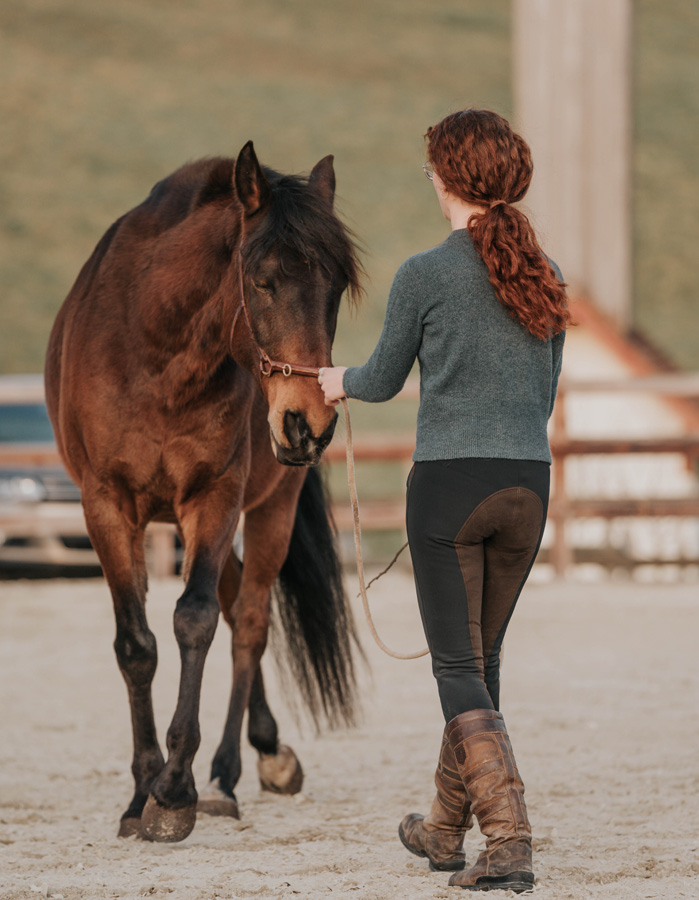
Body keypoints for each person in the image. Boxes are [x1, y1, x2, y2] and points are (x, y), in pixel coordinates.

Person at [318, 109, 567, 893]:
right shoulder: (545, 272)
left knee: (457, 668)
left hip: (449, 487)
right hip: (527, 484)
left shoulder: (424, 273)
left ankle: (509, 841)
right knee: (480, 666)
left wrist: (334, 381)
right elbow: (543, 394)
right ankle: (442, 830)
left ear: (448, 178)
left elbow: (381, 379)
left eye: (431, 167)